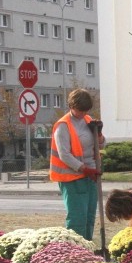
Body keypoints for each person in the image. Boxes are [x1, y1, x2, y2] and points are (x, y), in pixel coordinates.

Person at [49, 88, 104, 241]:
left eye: (86, 110)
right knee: (77, 218)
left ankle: (87, 246)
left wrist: (98, 134)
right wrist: (84, 169)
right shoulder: (63, 126)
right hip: (72, 178)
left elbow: (101, 145)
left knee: (89, 216)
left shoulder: (87, 120)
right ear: (72, 106)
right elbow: (64, 154)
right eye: (80, 110)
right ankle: (74, 250)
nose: (83, 113)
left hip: (90, 175)